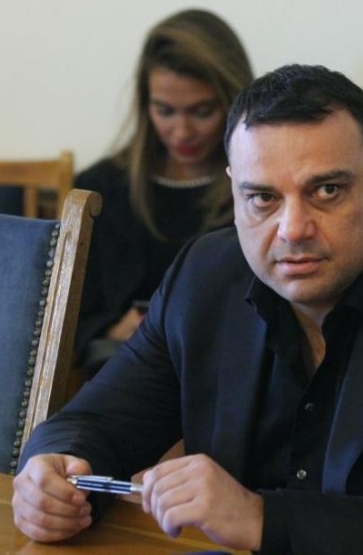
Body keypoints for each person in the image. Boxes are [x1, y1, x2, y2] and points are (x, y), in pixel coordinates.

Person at [13, 64, 363, 555]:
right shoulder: (205, 277)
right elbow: (95, 422)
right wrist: (54, 475)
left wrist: (261, 518)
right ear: (234, 192)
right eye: (263, 198)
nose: (293, 229)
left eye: (327, 190)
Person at [74, 9, 254, 375]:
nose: (182, 132)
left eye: (202, 111)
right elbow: (63, 312)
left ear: (234, 102)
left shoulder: (259, 189)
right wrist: (112, 328)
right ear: (146, 105)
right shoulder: (102, 188)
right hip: (124, 371)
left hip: (229, 372)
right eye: (165, 110)